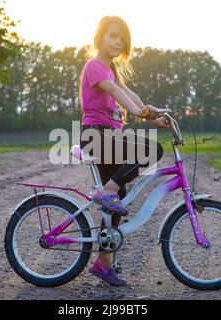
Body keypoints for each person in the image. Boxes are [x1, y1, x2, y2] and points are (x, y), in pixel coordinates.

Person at [78, 16, 169, 286]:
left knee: (119, 196)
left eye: (122, 38)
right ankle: (105, 191)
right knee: (152, 149)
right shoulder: (94, 67)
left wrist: (150, 115)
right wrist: (138, 112)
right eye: (112, 36)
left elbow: (129, 92)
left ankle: (103, 263)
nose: (118, 42)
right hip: (96, 136)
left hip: (109, 136)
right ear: (99, 38)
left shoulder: (112, 70)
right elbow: (117, 94)